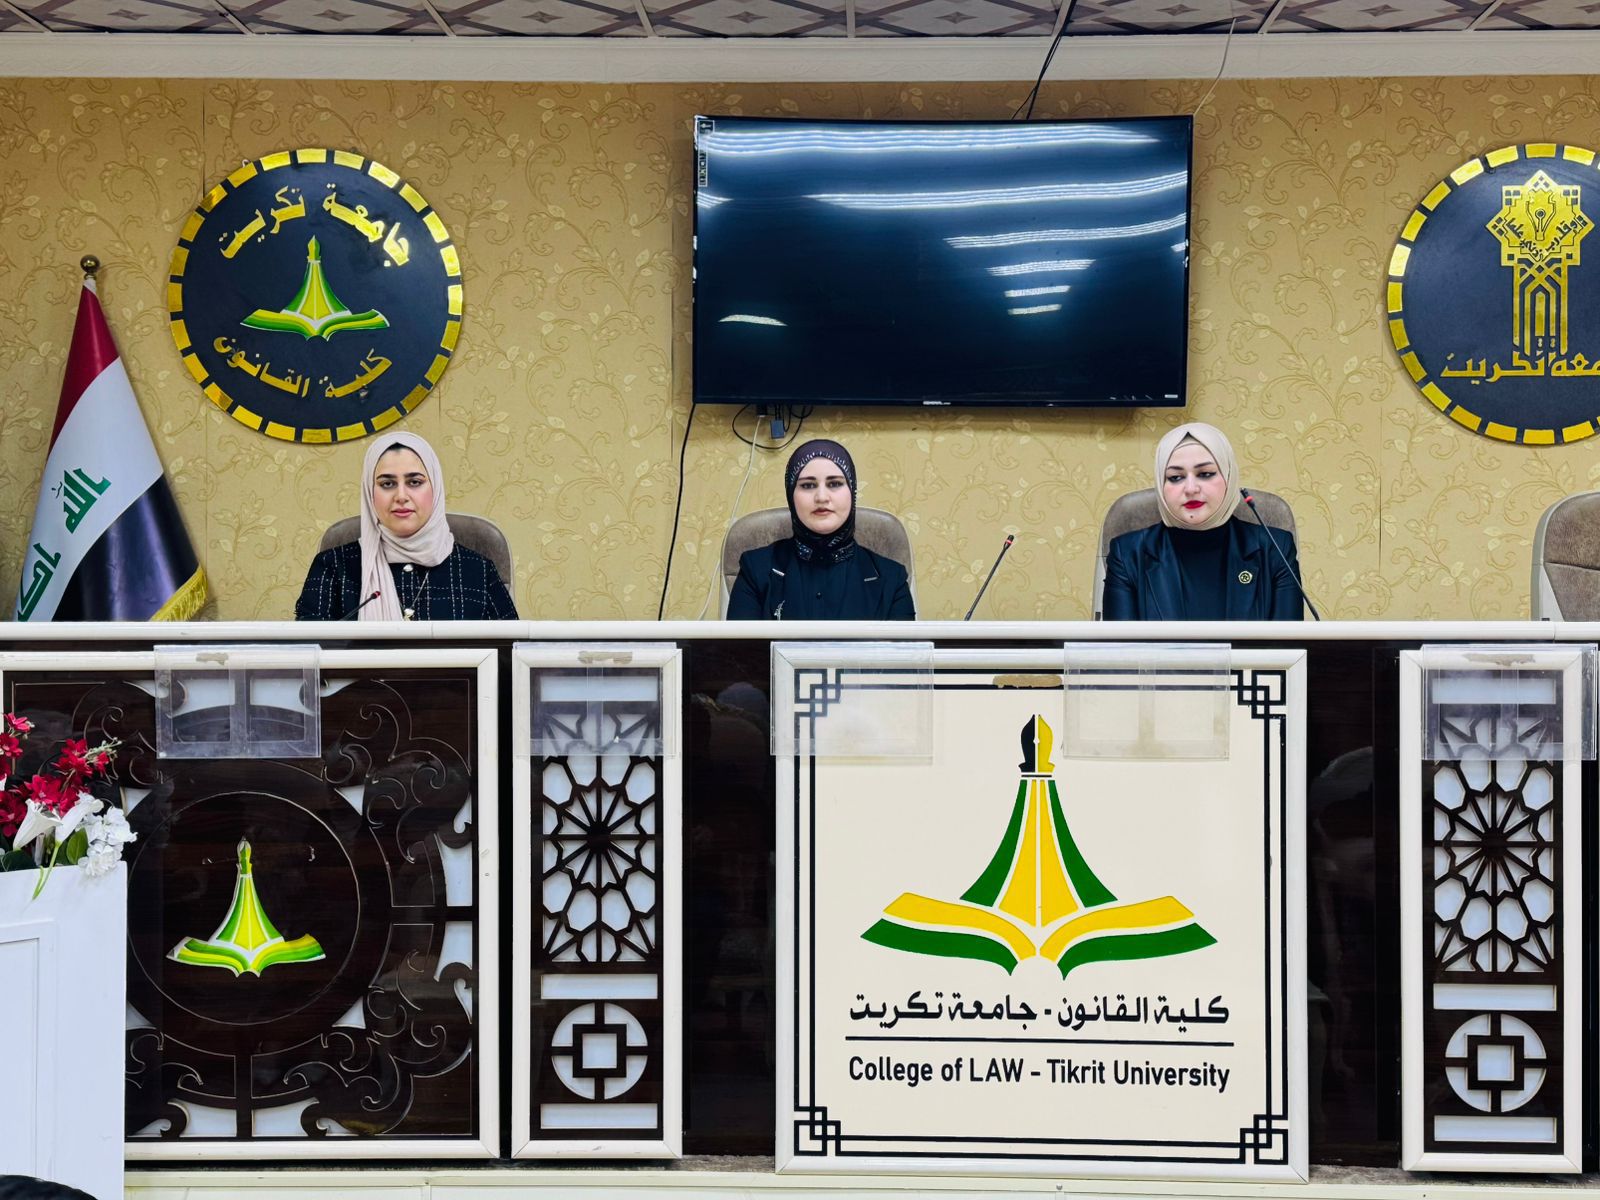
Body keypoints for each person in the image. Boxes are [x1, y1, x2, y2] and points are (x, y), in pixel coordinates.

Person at [295, 432, 518, 621]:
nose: (401, 496)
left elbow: (512, 655)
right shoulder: (333, 567)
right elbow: (306, 653)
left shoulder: (478, 571)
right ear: (369, 493)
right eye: (387, 484)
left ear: (435, 488)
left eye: (414, 482)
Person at [1102, 422, 1303, 621]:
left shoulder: (1276, 549)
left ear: (1229, 477)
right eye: (1175, 477)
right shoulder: (1127, 554)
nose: (1191, 488)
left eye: (1205, 474)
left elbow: (1287, 641)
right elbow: (1121, 642)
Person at [727, 439, 914, 621]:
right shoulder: (756, 570)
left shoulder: (892, 579)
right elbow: (739, 643)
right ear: (791, 495)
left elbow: (905, 644)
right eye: (808, 485)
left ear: (852, 492)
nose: (822, 497)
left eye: (835, 484)